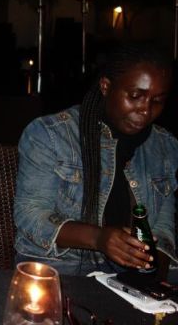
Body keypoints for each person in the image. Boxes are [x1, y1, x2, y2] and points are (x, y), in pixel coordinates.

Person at [14, 42, 178, 277]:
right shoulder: (51, 134)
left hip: (131, 274)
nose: (145, 109)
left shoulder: (165, 145)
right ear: (106, 86)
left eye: (157, 100)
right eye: (135, 96)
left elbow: (163, 226)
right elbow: (30, 215)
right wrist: (99, 238)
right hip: (63, 266)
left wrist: (152, 268)